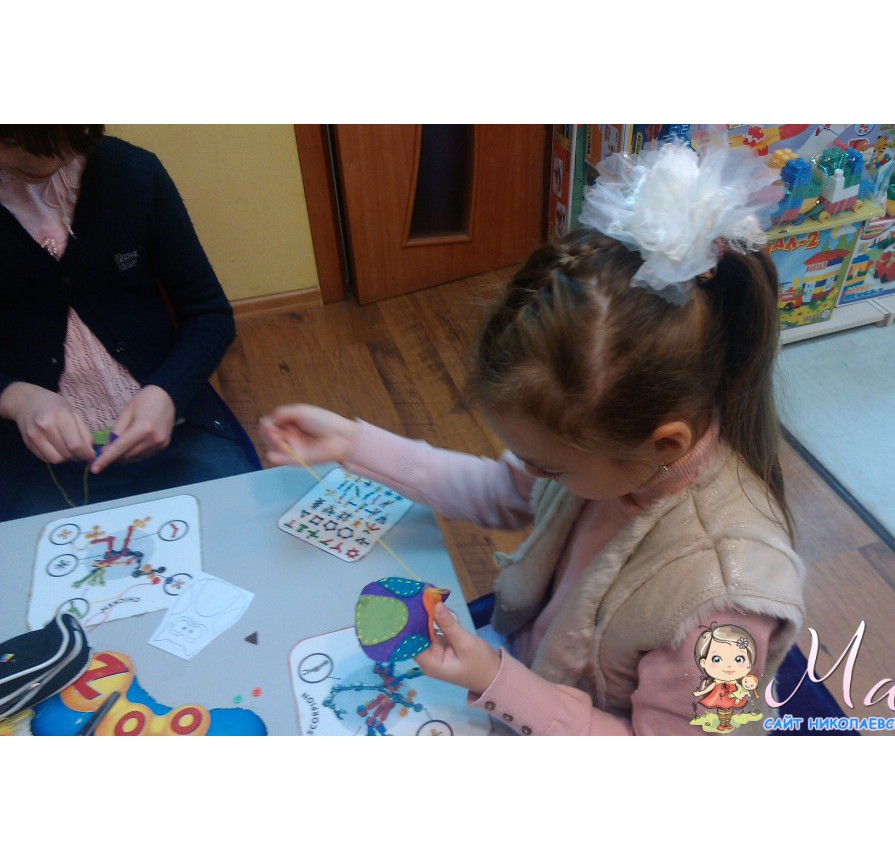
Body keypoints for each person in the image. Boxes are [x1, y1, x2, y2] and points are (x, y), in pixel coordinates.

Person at [260, 137, 806, 735]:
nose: (532, 475)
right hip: (529, 675)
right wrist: (351, 444)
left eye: (548, 467)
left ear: (664, 445)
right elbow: (503, 491)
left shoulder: (723, 603)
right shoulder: (614, 451)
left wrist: (500, 683)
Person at [0, 125, 258, 522]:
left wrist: (167, 391)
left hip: (172, 427)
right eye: (14, 143)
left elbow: (209, 314)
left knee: (237, 532)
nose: (44, 162)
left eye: (63, 144)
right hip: (38, 457)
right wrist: (16, 397)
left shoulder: (132, 172)